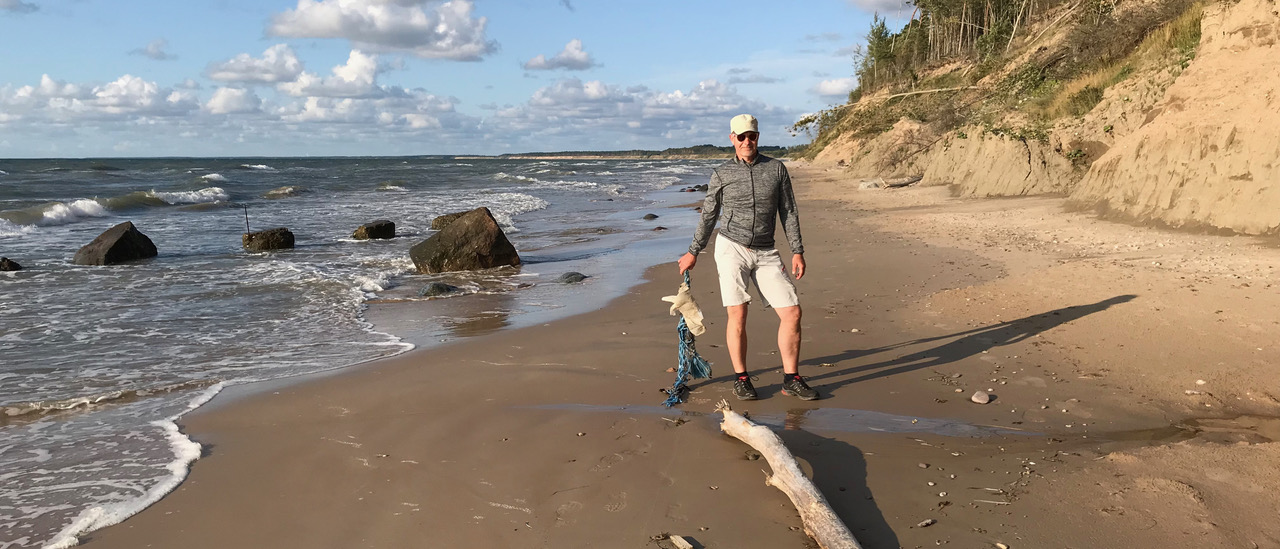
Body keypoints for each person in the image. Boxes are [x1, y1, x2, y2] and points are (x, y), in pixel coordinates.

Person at [678, 114, 818, 401]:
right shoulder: (721, 173)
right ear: (732, 138)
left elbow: (788, 211)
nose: (746, 141)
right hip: (731, 248)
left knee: (792, 312)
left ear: (757, 136)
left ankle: (791, 378)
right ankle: (742, 378)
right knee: (738, 313)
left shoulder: (776, 169)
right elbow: (709, 215)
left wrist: (797, 250)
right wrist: (694, 252)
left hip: (767, 250)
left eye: (751, 136)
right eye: (740, 137)